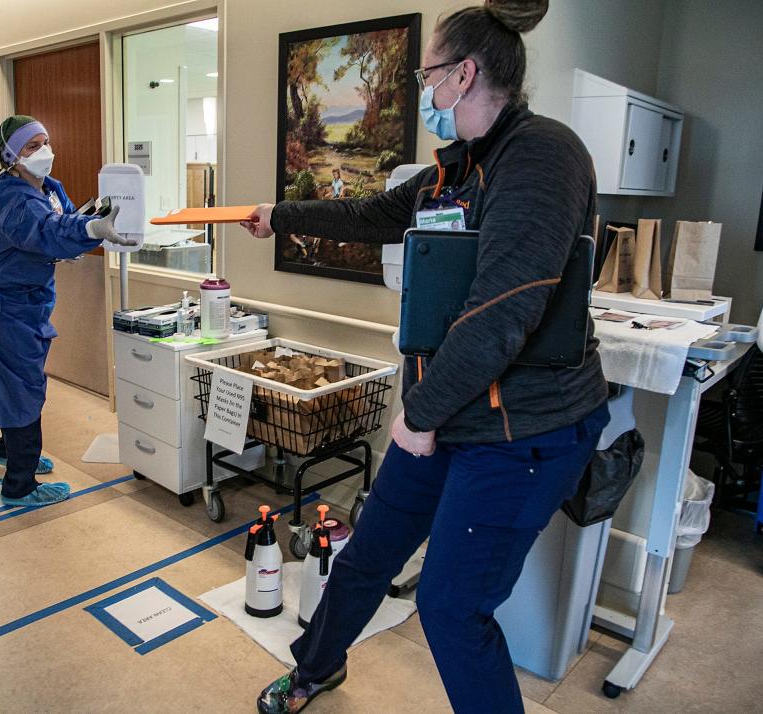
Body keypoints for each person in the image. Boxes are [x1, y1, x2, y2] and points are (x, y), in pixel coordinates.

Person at [241, 1, 610, 712]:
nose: (421, 88)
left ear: (464, 74)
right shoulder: (456, 169)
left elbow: (506, 308)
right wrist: (280, 214)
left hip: (520, 432)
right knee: (365, 558)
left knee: (449, 609)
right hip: (450, 409)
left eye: (427, 73)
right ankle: (316, 668)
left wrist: (422, 409)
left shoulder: (540, 156)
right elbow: (373, 214)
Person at [0, 115, 133, 507]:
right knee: (23, 384)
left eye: (45, 142)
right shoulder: (11, 196)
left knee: (17, 380)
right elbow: (45, 230)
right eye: (32, 146)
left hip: (29, 299)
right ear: (11, 157)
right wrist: (90, 232)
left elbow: (62, 222)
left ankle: (9, 451)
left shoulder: (47, 187)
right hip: (6, 302)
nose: (44, 152)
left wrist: (83, 230)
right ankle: (19, 485)